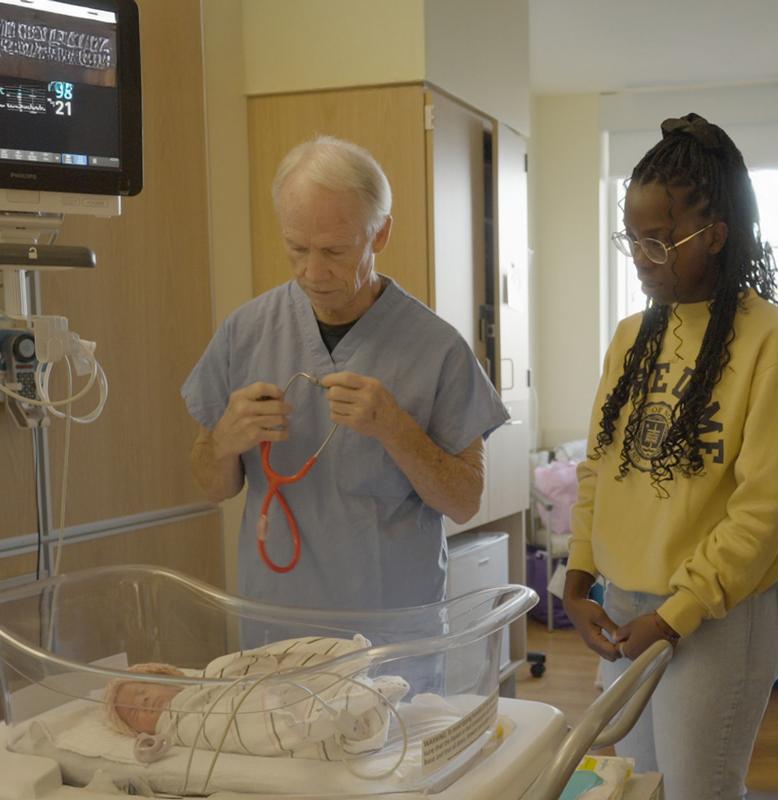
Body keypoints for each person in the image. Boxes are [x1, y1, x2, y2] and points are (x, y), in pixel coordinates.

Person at [563, 113, 778, 799]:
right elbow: (598, 469)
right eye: (632, 238)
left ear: (714, 236)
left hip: (717, 619)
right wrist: (578, 577)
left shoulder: (772, 343)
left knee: (697, 791)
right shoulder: (630, 336)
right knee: (638, 786)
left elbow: (760, 513)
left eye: (658, 241)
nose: (642, 257)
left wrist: (675, 616)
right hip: (626, 609)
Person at [181, 135, 508, 611]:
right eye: (296, 248)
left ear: (379, 234)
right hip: (280, 626)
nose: (312, 272)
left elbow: (464, 501)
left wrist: (396, 429)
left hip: (390, 635)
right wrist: (224, 442)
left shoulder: (436, 348)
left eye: (334, 251)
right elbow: (212, 487)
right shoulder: (246, 332)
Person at [101, 636, 412, 762]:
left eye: (143, 692)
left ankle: (350, 694)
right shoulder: (175, 730)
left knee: (289, 687)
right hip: (240, 717)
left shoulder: (207, 677)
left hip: (258, 693)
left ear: (168, 678)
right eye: (133, 713)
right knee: (272, 722)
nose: (144, 703)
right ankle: (344, 716)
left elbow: (249, 668)